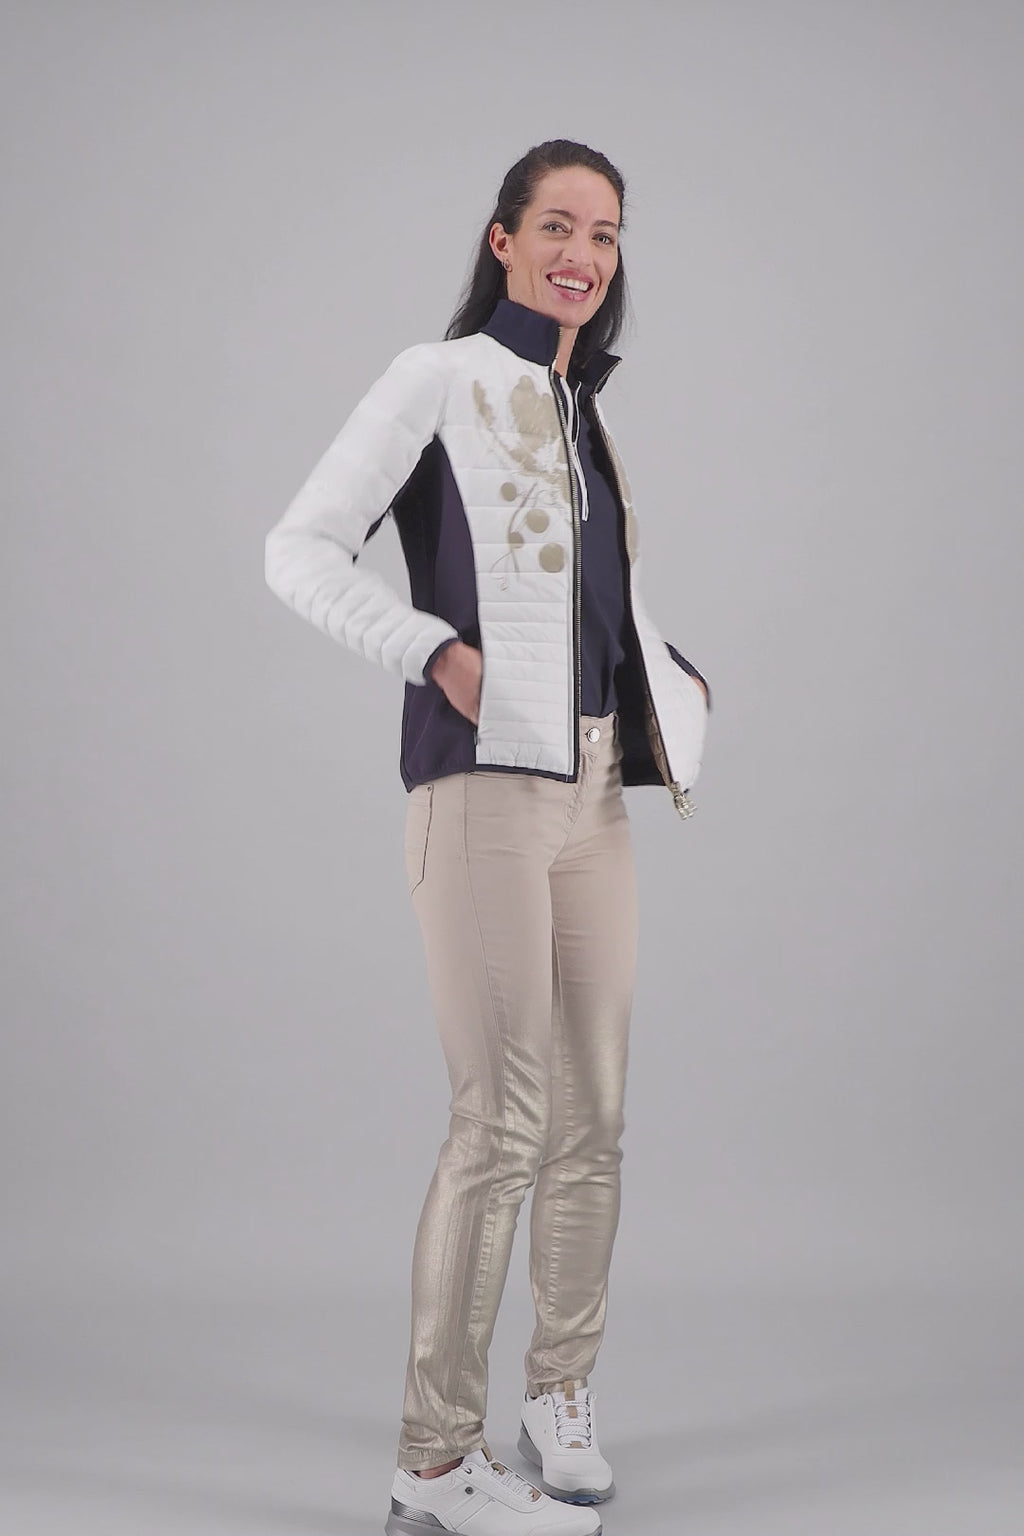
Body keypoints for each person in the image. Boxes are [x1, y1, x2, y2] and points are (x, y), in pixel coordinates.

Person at [264, 138, 712, 1536]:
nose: (585, 254)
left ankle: (558, 1396)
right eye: (559, 225)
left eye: (608, 234)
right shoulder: (437, 376)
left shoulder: (582, 406)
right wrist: (429, 649)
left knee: (594, 1119)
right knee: (503, 1120)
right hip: (480, 792)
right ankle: (435, 1458)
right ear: (504, 239)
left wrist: (663, 677)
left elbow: (581, 597)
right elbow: (297, 547)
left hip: (593, 792)